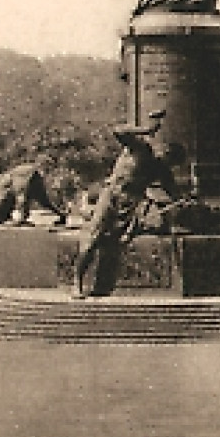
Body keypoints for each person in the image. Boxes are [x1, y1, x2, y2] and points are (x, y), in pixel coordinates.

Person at [73, 110, 178, 298]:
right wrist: (145, 129)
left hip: (132, 204)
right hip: (112, 195)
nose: (166, 156)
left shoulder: (160, 169)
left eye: (171, 157)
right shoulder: (140, 148)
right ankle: (77, 282)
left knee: (142, 229)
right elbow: (118, 130)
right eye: (166, 151)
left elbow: (174, 194)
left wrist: (185, 202)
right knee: (93, 236)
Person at [0, 158, 69, 226]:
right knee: (27, 196)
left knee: (40, 199)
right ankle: (21, 218)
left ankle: (61, 215)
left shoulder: (26, 172)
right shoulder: (24, 172)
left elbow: (40, 200)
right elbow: (21, 196)